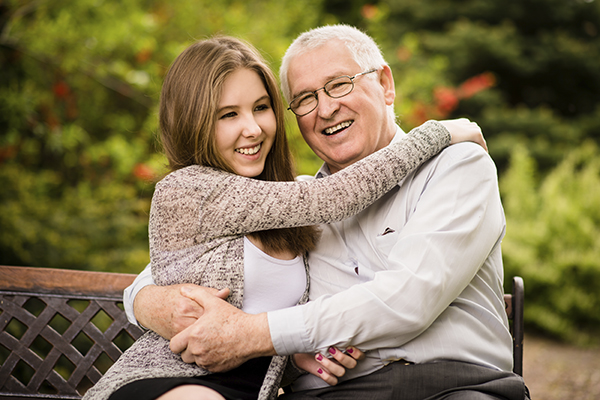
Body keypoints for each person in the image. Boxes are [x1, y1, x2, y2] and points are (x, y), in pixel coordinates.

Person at [83, 34, 482, 400]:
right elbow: (160, 274)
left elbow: (404, 299)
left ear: (385, 84)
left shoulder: (286, 208)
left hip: (261, 389)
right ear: (195, 122)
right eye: (228, 115)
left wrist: (293, 356)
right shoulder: (194, 189)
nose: (253, 128)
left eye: (261, 108)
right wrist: (437, 133)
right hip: (177, 382)